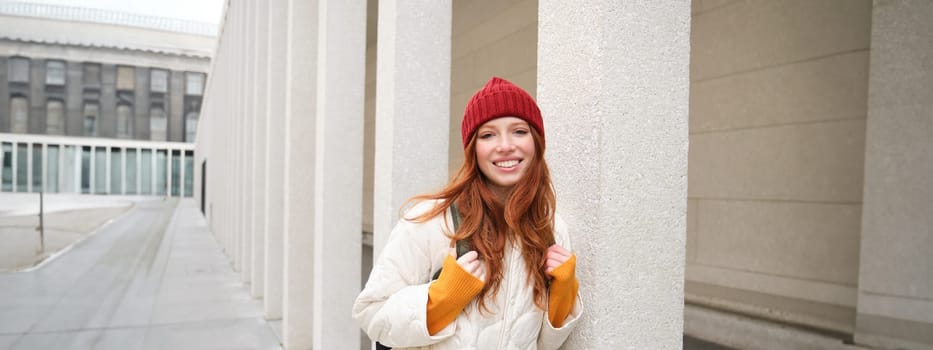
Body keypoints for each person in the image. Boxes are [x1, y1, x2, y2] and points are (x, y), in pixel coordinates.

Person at [353, 76, 581, 349]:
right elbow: (371, 314)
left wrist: (563, 295)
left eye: (519, 131)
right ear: (473, 149)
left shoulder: (551, 230)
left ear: (537, 142)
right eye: (488, 135)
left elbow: (543, 345)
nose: (505, 145)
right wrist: (442, 298)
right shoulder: (431, 221)